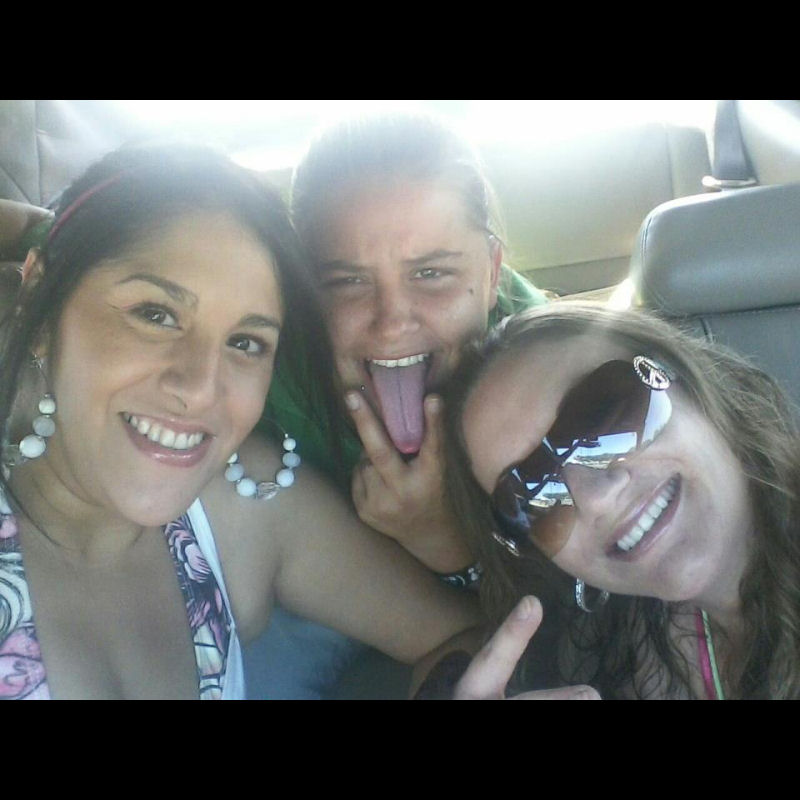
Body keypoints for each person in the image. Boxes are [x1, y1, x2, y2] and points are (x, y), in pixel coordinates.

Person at [0, 143, 479, 700]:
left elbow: (464, 636)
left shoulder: (244, 498)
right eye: (156, 315)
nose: (201, 389)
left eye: (246, 342)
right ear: (40, 296)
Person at [248, 114, 550, 698]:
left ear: (491, 273)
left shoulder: (544, 374)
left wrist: (445, 541)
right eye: (347, 282)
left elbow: (570, 607)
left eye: (431, 274)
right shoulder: (260, 371)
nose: (392, 322)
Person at [441, 301, 800, 699]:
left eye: (604, 416)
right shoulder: (609, 658)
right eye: (532, 497)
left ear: (681, 374)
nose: (596, 498)